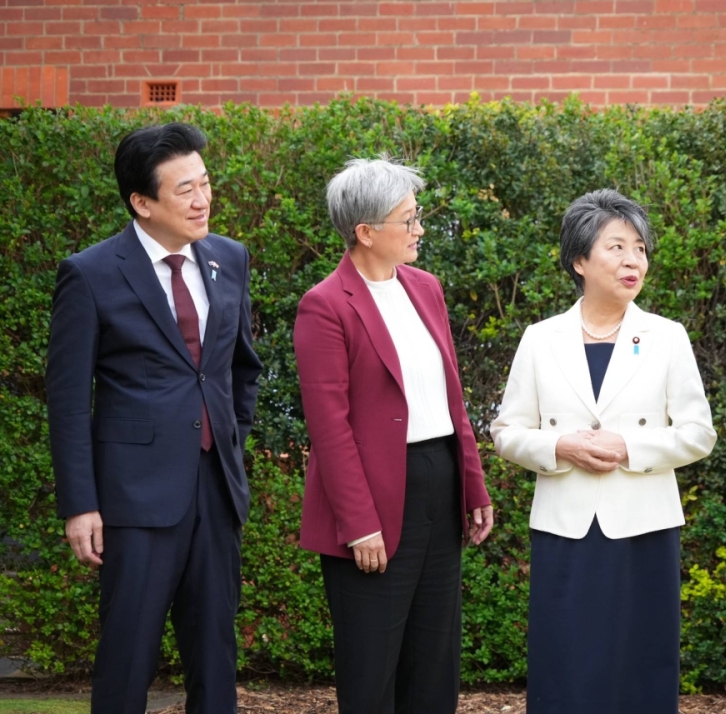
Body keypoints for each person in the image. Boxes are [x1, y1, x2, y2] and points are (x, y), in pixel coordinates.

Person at [46, 122, 262, 713]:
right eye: (184, 190)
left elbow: (241, 368)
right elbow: (67, 401)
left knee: (215, 655)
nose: (202, 199)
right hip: (134, 500)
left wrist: (230, 443)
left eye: (206, 183)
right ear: (141, 203)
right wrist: (80, 504)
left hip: (215, 491)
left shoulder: (229, 259)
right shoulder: (90, 274)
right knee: (127, 658)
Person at [490, 189, 717, 713]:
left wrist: (629, 446)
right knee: (564, 657)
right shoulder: (540, 339)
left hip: (644, 526)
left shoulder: (667, 337)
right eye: (616, 247)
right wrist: (560, 445)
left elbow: (698, 433)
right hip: (566, 526)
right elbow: (507, 431)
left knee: (642, 656)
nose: (632, 259)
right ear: (580, 261)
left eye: (639, 248)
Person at [294, 156, 494, 714]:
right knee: (371, 668)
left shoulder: (425, 288)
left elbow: (452, 398)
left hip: (438, 482)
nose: (420, 229)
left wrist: (472, 486)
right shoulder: (325, 305)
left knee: (435, 662)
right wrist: (359, 524)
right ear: (365, 232)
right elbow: (329, 428)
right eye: (408, 220)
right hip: (373, 499)